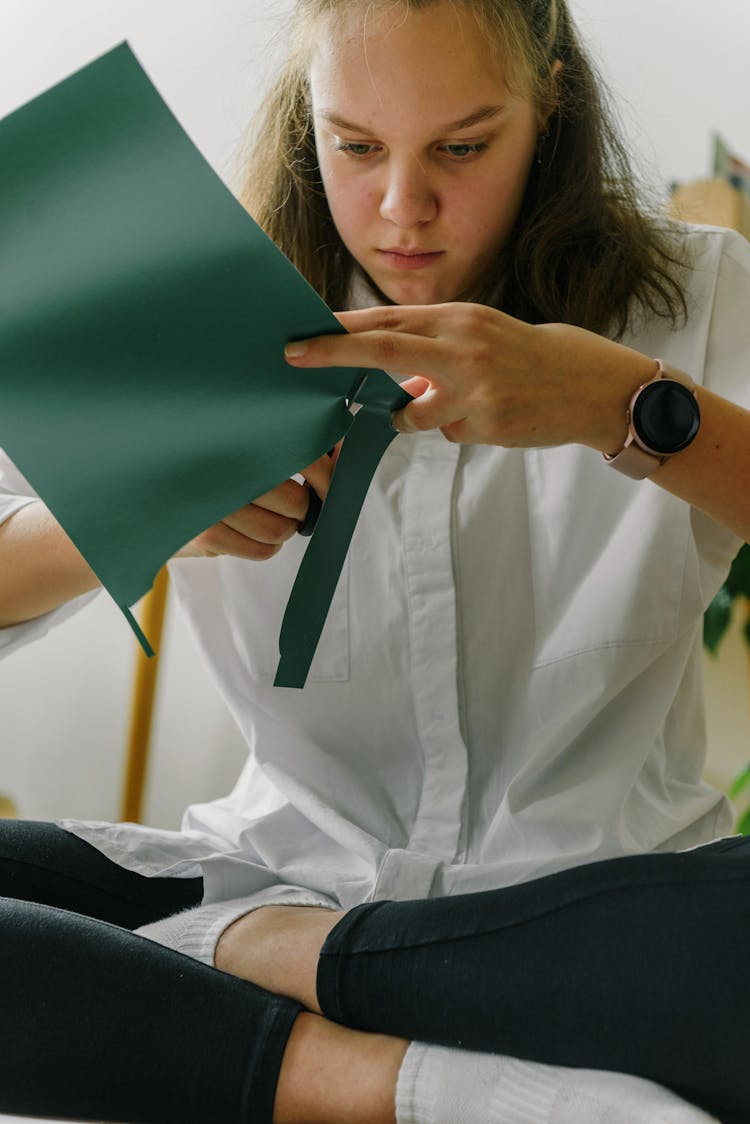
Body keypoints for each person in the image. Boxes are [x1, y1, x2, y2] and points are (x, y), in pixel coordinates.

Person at [1, 1, 749, 1122]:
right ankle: (396, 1075)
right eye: (354, 145)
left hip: (608, 906)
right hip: (274, 871)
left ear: (547, 99)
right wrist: (135, 509)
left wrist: (624, 405)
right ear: (307, 114)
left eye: (462, 145)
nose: (403, 209)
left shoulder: (704, 292)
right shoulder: (186, 323)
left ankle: (274, 970)